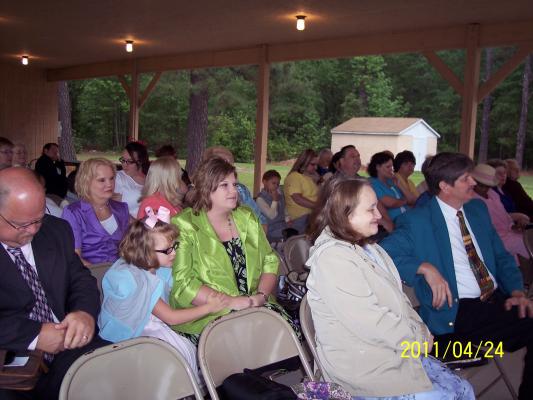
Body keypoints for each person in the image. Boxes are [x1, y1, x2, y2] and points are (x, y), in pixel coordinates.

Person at [381, 152, 533, 400]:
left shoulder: (477, 210)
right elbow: (383, 253)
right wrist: (424, 268)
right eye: (466, 179)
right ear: (445, 186)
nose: (474, 182)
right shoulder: (418, 220)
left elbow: (502, 257)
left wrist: (517, 291)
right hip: (458, 313)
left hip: (495, 300)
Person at [306, 176, 474, 399]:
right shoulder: (333, 259)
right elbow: (370, 322)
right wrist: (418, 339)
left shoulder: (369, 248)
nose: (379, 215)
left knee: (463, 389)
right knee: (448, 395)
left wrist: (421, 330)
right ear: (344, 214)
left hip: (389, 350)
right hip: (364, 368)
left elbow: (400, 301)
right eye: (371, 209)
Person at [0, 167, 108, 400]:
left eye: (38, 219)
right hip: (12, 359)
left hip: (70, 344)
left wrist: (84, 313)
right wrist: (35, 335)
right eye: (22, 224)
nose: (33, 230)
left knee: (123, 368)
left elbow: (81, 279)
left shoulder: (55, 230)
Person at [170, 158, 297, 344]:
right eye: (225, 185)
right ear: (206, 188)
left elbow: (269, 260)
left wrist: (261, 297)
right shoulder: (184, 224)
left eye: (234, 184)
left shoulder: (246, 217)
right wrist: (231, 303)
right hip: (209, 314)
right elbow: (184, 284)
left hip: (254, 304)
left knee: (285, 336)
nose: (234, 191)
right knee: (245, 342)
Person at [98, 212, 228, 384]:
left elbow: (181, 289)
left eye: (175, 246)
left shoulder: (158, 268)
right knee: (179, 352)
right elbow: (171, 317)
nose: (174, 252)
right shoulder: (139, 281)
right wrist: (209, 307)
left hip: (153, 322)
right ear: (145, 252)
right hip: (135, 334)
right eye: (168, 250)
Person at [62, 158, 129, 266]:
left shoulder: (121, 209)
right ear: (86, 182)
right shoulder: (73, 213)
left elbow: (129, 247)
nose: (109, 184)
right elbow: (74, 256)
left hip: (121, 270)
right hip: (89, 272)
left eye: (111, 178)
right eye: (102, 180)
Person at [471, 163, 529, 262]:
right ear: (474, 182)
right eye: (481, 185)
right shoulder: (472, 199)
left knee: (528, 237)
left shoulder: (493, 194)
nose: (485, 189)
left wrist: (514, 226)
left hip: (508, 233)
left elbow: (504, 215)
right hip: (493, 240)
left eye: (488, 186)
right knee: (523, 243)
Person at [201, 146, 266, 225]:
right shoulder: (196, 197)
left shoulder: (241, 191)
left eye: (230, 166)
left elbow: (261, 221)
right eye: (222, 166)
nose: (233, 190)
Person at [283, 149, 319, 234]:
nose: (316, 168)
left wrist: (319, 181)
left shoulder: (307, 177)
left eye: (317, 165)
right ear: (304, 162)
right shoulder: (294, 177)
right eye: (313, 164)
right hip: (301, 218)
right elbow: (297, 198)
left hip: (310, 215)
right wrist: (318, 206)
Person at [368, 151, 409, 222]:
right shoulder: (372, 182)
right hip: (394, 220)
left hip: (406, 216)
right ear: (378, 167)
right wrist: (405, 201)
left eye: (392, 166)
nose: (391, 169)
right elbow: (390, 203)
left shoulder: (391, 181)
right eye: (388, 167)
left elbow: (410, 198)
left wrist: (399, 184)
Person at [115, 142, 149, 217]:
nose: (124, 165)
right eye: (123, 160)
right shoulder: (119, 177)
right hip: (130, 223)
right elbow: (115, 208)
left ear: (140, 161)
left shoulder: (150, 178)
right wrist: (133, 221)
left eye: (129, 161)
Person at [256, 170, 291, 242]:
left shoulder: (279, 194)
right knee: (291, 237)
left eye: (278, 184)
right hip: (271, 229)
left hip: (282, 225)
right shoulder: (260, 199)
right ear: (264, 182)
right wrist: (275, 200)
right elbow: (272, 216)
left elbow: (284, 208)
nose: (276, 186)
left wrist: (288, 219)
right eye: (273, 183)